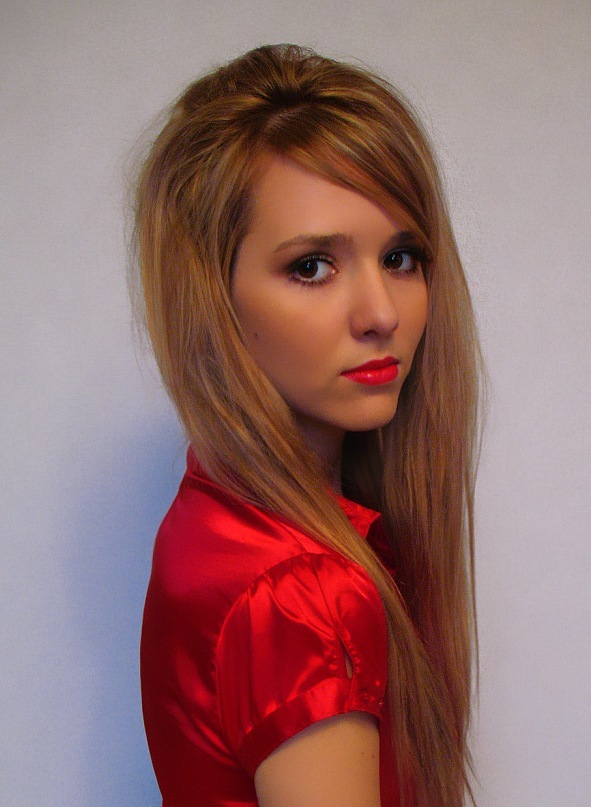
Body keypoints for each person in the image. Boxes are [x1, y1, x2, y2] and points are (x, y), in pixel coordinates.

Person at [134, 44, 482, 807]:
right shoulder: (300, 594)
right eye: (312, 266)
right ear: (213, 297)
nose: (381, 313)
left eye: (401, 256)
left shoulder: (213, 510)